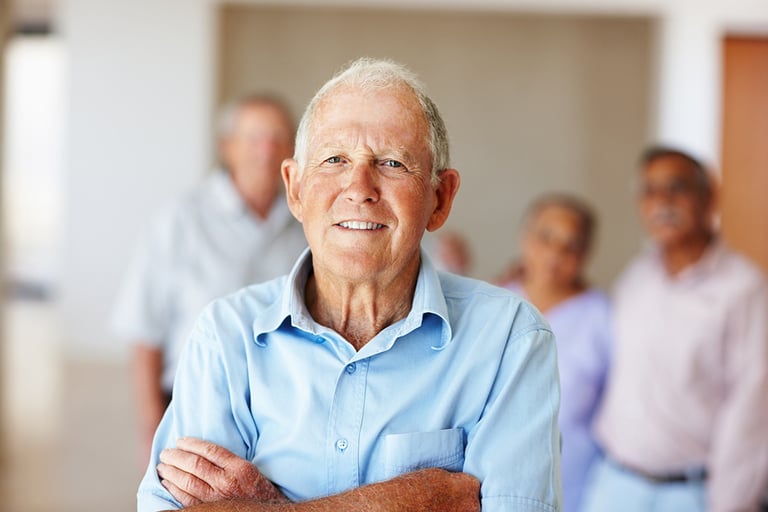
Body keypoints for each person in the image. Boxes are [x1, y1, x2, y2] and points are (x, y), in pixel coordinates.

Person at [136, 58, 562, 512]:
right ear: (296, 189)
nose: (359, 188)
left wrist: (259, 505)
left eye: (393, 163)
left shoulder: (511, 339)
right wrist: (419, 498)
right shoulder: (225, 335)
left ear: (440, 198)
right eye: (334, 159)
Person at [112, 94, 307, 465]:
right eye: (253, 138)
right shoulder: (180, 220)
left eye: (278, 138)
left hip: (287, 411)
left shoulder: (308, 222)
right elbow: (144, 331)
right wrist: (152, 427)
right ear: (227, 147)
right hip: (195, 407)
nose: (266, 151)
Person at [582, 146, 768, 512]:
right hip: (614, 483)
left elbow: (753, 405)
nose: (662, 202)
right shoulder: (637, 276)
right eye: (650, 191)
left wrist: (730, 503)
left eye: (676, 187)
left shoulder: (744, 288)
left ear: (708, 198)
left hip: (691, 493)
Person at [500, 194, 611, 512]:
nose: (556, 253)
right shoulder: (498, 305)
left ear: (587, 253)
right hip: (500, 479)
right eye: (546, 237)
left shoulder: (601, 316)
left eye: (571, 245)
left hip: (577, 483)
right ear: (525, 236)